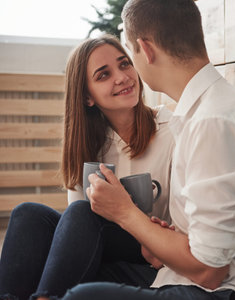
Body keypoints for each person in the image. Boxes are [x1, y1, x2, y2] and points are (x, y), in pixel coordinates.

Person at [61, 0, 235, 299]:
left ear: (145, 51)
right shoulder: (201, 113)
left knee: (82, 295)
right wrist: (163, 236)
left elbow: (208, 270)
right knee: (58, 251)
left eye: (128, 56)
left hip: (231, 292)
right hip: (188, 278)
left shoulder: (212, 122)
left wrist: (125, 213)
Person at [0, 34, 174, 300]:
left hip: (155, 252)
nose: (121, 77)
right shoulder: (90, 144)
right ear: (87, 97)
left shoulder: (172, 129)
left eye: (125, 64)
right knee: (28, 214)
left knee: (82, 211)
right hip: (104, 244)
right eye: (103, 75)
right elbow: (77, 229)